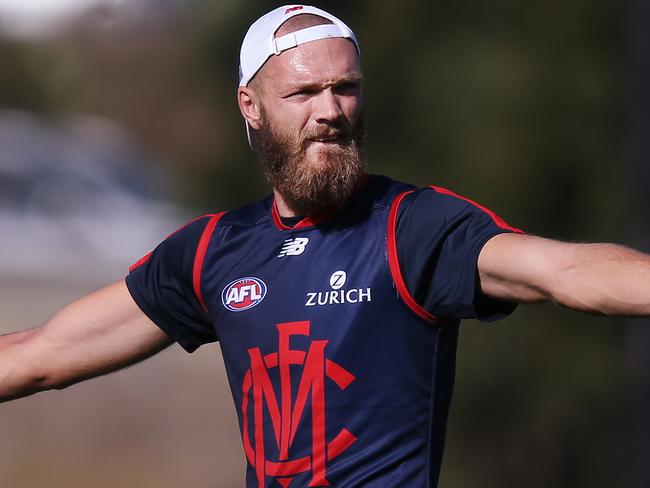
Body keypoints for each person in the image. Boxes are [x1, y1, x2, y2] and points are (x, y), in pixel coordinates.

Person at [1, 4, 650, 487]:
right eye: (305, 92)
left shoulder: (412, 228)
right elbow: (41, 355)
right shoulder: (210, 252)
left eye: (346, 88)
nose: (331, 111)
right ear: (250, 106)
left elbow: (566, 269)